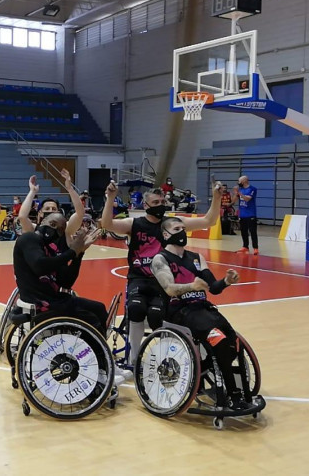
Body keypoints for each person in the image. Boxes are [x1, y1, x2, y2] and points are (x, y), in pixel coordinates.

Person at [100, 180, 221, 365]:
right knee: (136, 309)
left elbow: (209, 221)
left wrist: (217, 197)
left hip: (164, 281)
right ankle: (134, 359)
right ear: (145, 205)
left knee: (158, 315)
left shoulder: (172, 224)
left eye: (162, 202)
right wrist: (110, 198)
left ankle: (164, 357)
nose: (160, 206)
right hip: (139, 278)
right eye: (155, 203)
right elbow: (107, 224)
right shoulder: (134, 224)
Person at [150, 217, 250, 409]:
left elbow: (213, 288)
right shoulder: (160, 259)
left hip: (203, 310)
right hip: (180, 311)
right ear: (165, 234)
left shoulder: (196, 258)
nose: (182, 232)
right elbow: (169, 288)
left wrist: (226, 281)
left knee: (233, 341)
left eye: (183, 228)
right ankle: (233, 395)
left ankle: (207, 368)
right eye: (177, 228)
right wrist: (191, 286)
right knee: (218, 342)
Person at [12, 212, 104, 334]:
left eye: (60, 230)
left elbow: (66, 283)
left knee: (99, 308)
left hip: (55, 300)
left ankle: (100, 349)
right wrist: (72, 252)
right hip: (40, 303)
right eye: (54, 225)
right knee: (91, 321)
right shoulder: (29, 238)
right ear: (45, 222)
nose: (55, 231)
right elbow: (39, 266)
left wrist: (79, 253)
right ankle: (96, 352)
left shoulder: (52, 248)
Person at [17, 170, 85, 238]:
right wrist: (32, 192)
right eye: (47, 209)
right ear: (40, 213)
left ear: (58, 212)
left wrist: (70, 188)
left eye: (54, 209)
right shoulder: (33, 229)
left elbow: (80, 213)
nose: (50, 211)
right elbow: (22, 217)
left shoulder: (66, 229)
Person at [233, 175, 258, 255]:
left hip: (251, 214)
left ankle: (255, 248)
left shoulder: (252, 189)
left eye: (239, 181)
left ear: (244, 181)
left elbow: (247, 199)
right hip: (242, 214)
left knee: (253, 231)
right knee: (243, 231)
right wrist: (235, 193)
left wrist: (239, 193)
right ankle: (245, 246)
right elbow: (234, 201)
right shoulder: (240, 189)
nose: (238, 183)